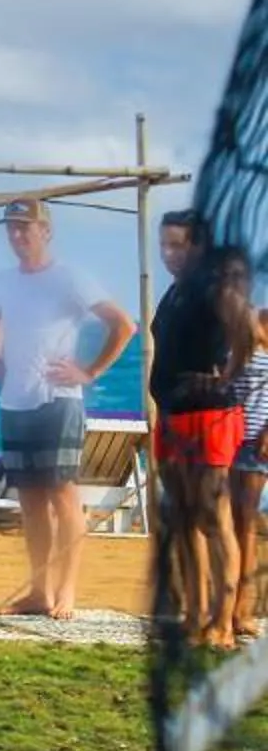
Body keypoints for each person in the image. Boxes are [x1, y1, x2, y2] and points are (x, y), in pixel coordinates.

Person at [0, 197, 135, 620]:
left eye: (24, 228)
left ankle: (67, 590)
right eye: (11, 228)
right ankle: (39, 591)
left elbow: (123, 325)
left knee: (62, 493)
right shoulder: (4, 279)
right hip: (16, 399)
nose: (17, 235)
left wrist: (90, 371)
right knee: (30, 498)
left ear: (45, 232)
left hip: (58, 399)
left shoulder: (69, 277)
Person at [150, 212, 244, 646]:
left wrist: (227, 373)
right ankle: (195, 613)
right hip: (173, 413)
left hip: (209, 415)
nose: (169, 253)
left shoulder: (213, 289)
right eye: (164, 245)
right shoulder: (174, 292)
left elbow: (246, 330)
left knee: (213, 515)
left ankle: (223, 623)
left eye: (177, 245)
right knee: (183, 515)